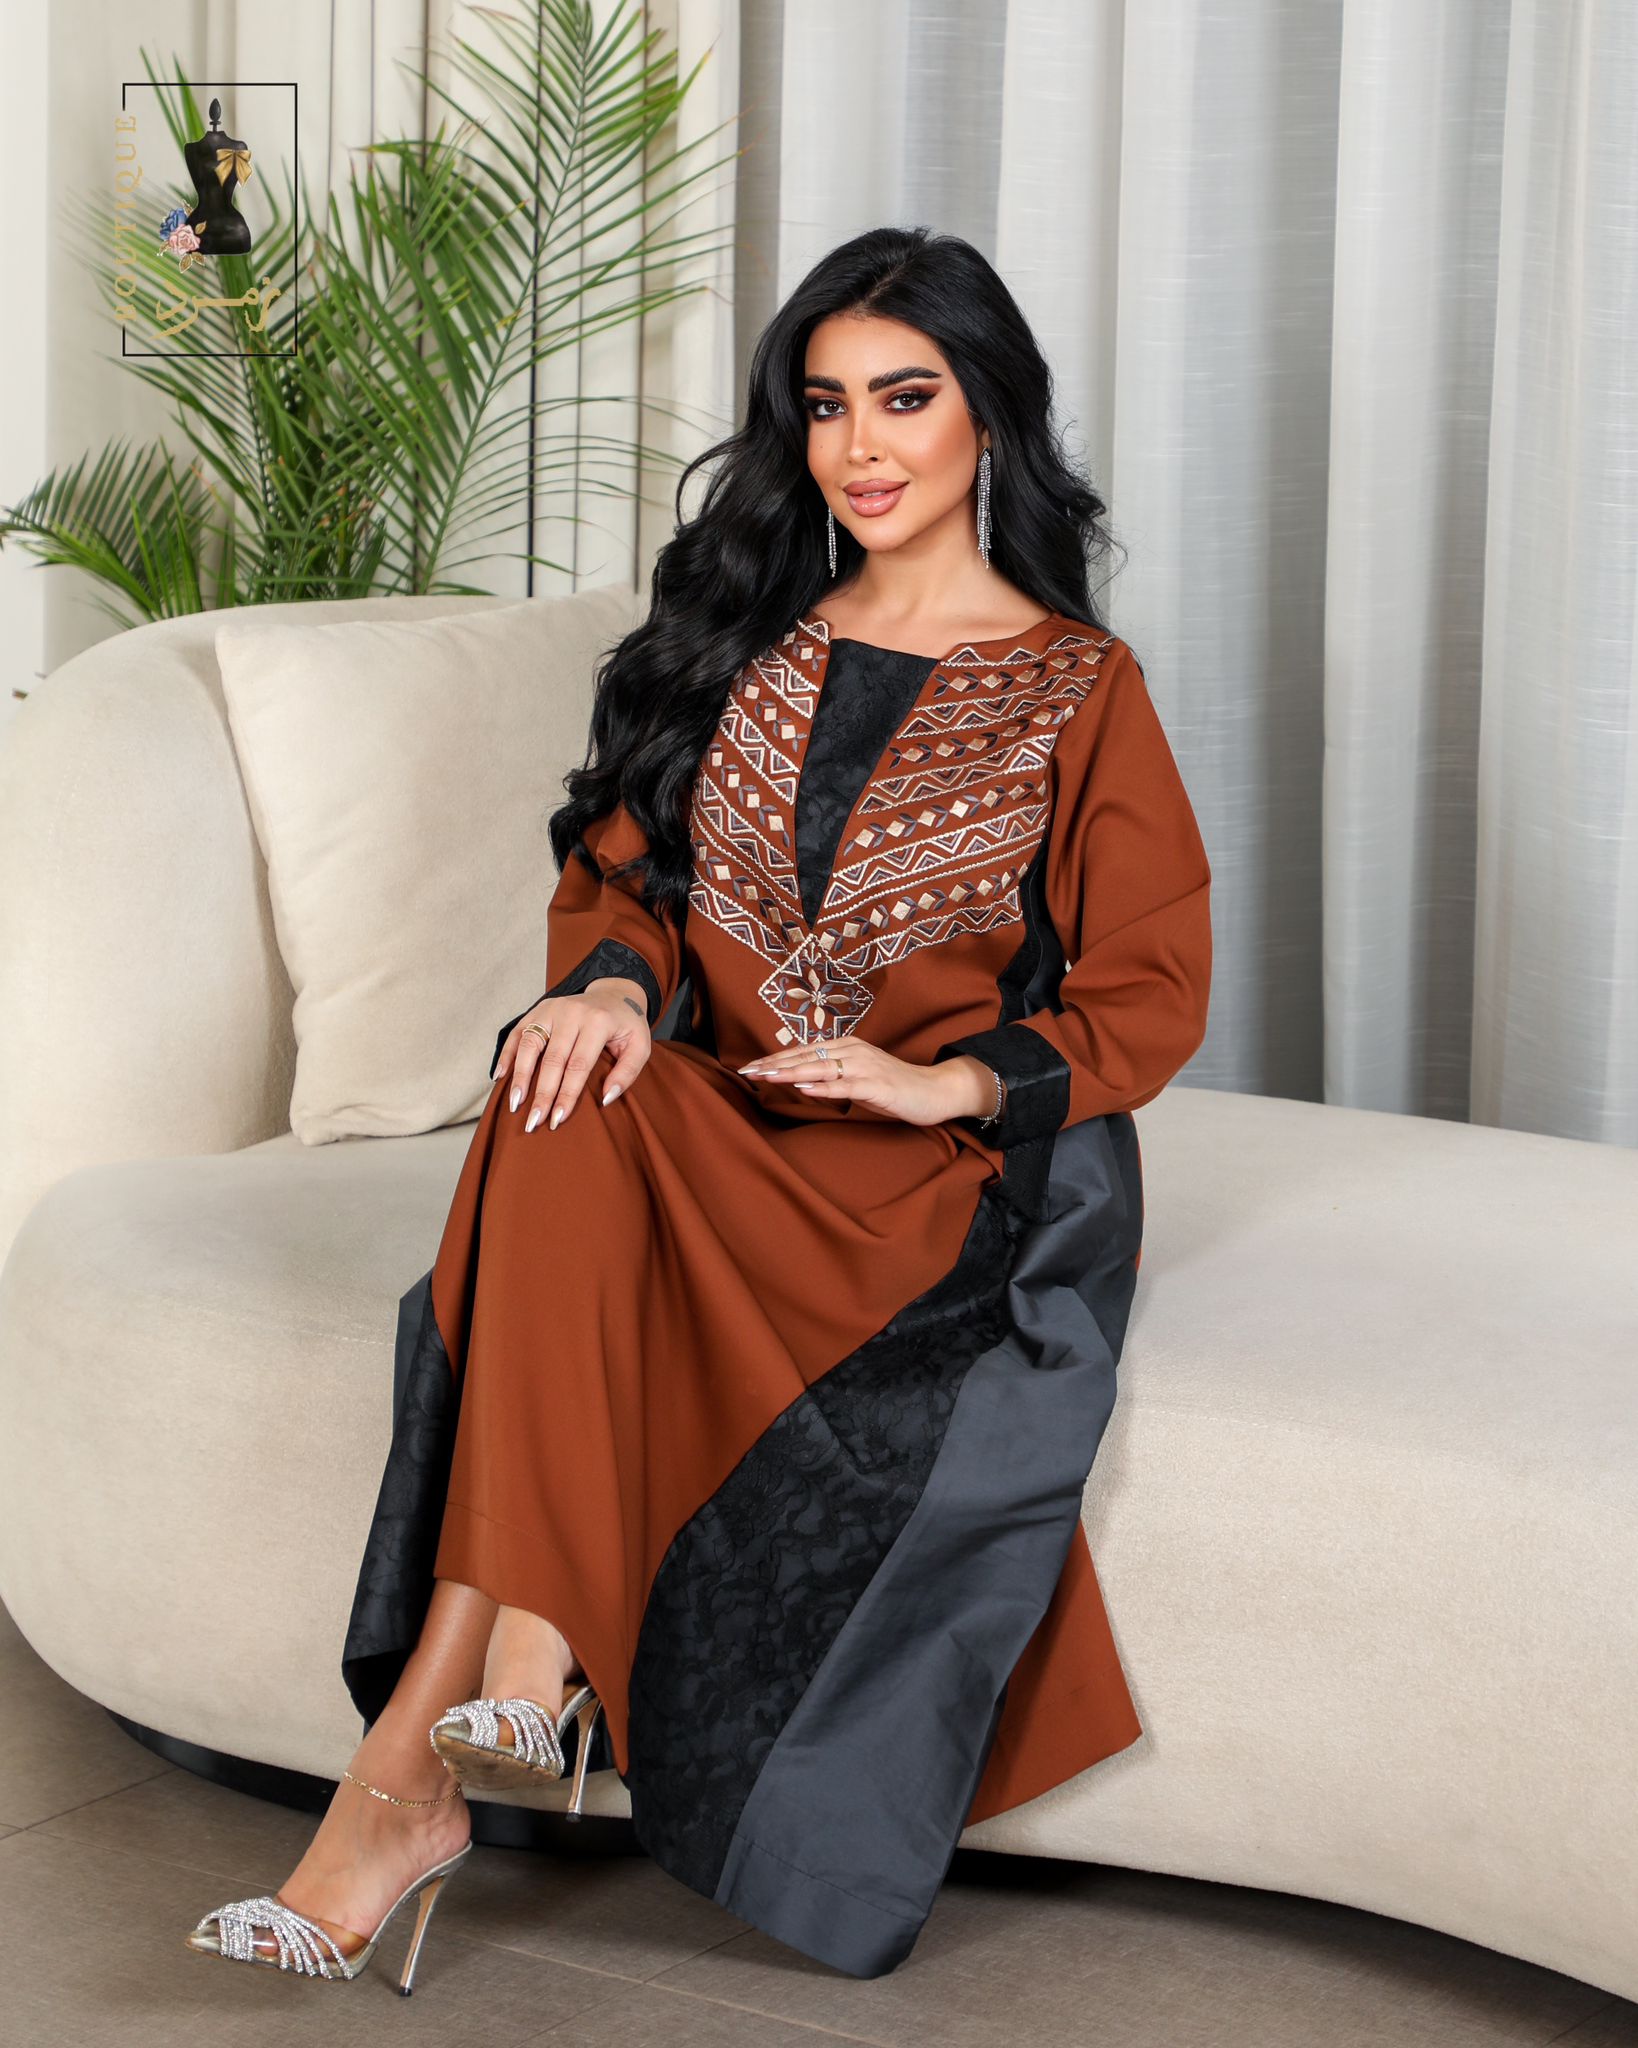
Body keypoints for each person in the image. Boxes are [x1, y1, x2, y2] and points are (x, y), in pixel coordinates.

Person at [185, 223, 1213, 1989]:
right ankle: (502, 1692)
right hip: (719, 1125)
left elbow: (1149, 985)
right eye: (823, 405)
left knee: (563, 1140)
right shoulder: (741, 638)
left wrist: (942, 1074)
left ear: (988, 415)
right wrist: (604, 986)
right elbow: (624, 882)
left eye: (905, 397)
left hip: (927, 1184)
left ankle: (426, 1764)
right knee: (560, 1085)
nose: (860, 446)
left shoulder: (1074, 687)